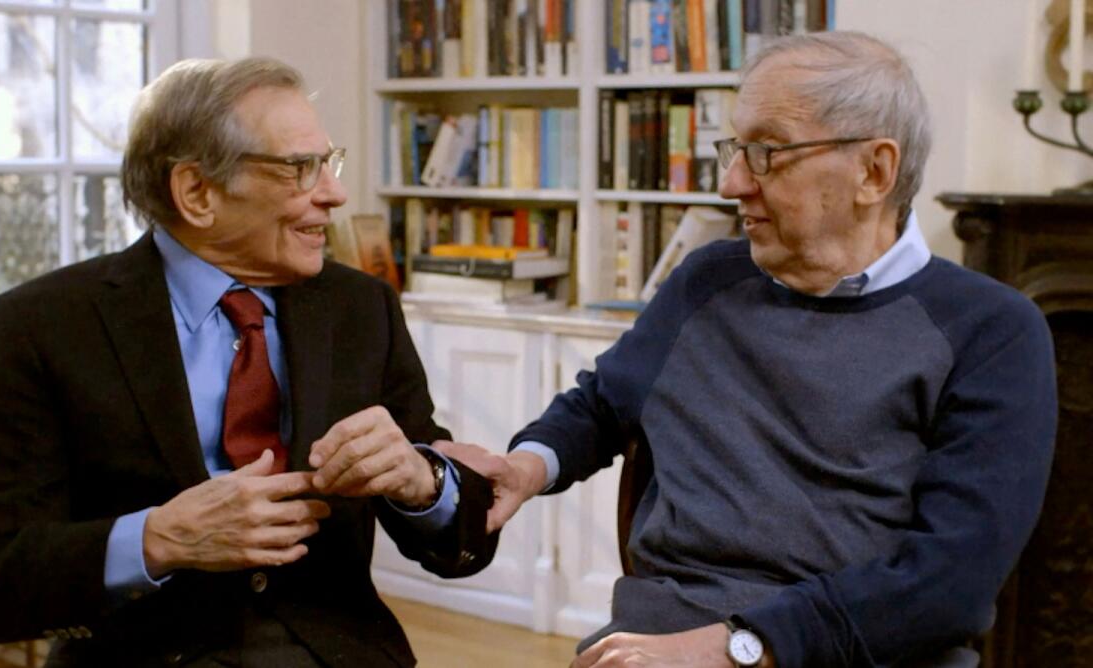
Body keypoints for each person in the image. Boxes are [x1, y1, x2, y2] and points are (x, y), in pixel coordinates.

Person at [438, 31, 1057, 668]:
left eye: (766, 152)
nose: (732, 182)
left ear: (874, 171)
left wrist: (741, 647)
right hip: (651, 647)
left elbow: (948, 585)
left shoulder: (993, 331)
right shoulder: (706, 282)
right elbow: (602, 404)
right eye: (736, 149)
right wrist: (526, 467)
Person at [0, 57, 496, 667]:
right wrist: (157, 539)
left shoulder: (361, 307)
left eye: (327, 161)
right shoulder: (48, 324)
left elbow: (464, 541)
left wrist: (421, 482)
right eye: (299, 169)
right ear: (197, 192)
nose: (334, 193)